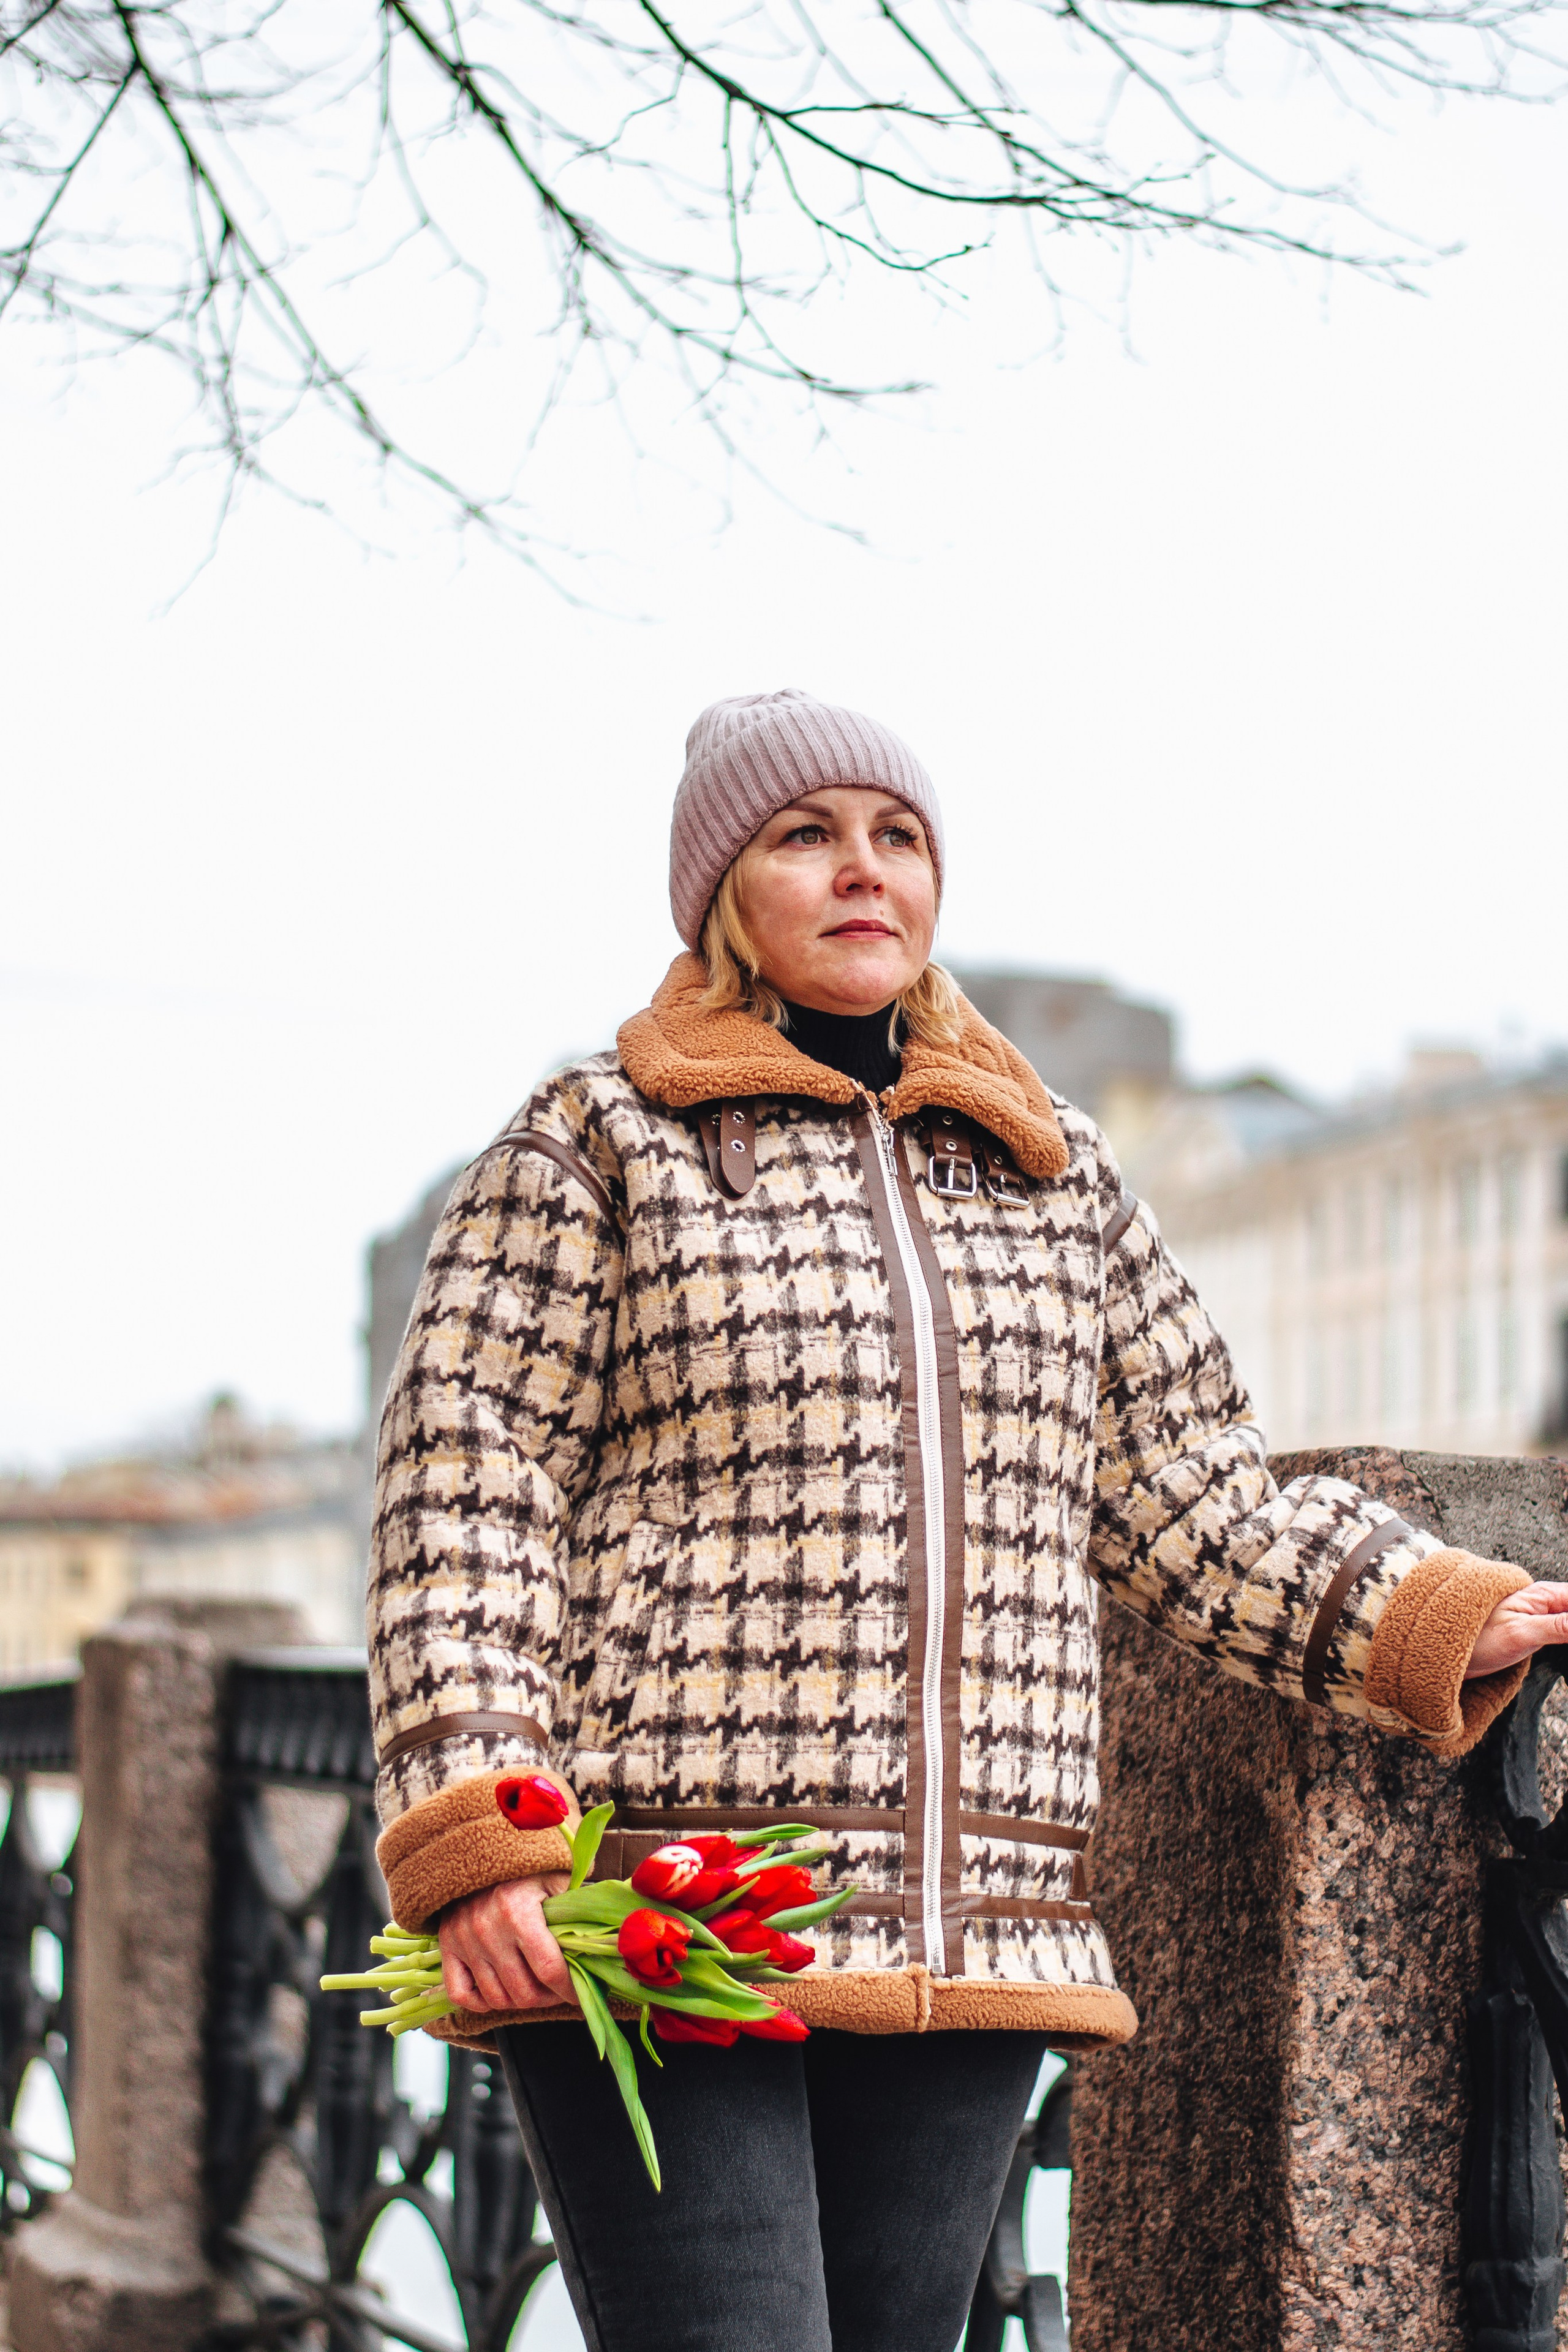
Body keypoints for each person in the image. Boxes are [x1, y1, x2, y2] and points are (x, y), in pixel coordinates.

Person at [367, 688, 1568, 2352]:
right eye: (807, 835)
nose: (865, 871)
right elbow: (465, 1492)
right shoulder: (597, 1145)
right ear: (725, 888)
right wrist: (481, 1838)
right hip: (674, 1904)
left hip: (975, 1924)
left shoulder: (1054, 1170)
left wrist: (1436, 1611)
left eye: (900, 837)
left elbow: (1186, 1486)